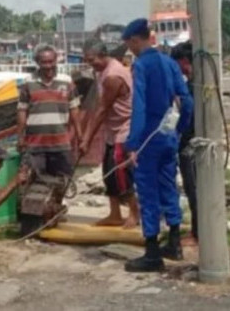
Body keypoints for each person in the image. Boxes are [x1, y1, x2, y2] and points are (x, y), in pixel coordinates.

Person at [122, 19, 194, 273]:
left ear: (134, 40)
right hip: (168, 137)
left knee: (148, 193)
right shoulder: (169, 62)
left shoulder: (141, 66)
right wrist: (180, 129)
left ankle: (152, 252)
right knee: (168, 187)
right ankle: (174, 242)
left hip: (148, 140)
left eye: (129, 44)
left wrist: (132, 143)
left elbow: (139, 107)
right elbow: (186, 100)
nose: (129, 49)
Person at [80, 40, 139, 229]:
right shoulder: (100, 72)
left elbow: (102, 109)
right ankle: (114, 213)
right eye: (88, 61)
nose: (91, 64)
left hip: (124, 128)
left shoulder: (113, 75)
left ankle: (135, 212)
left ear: (103, 55)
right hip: (111, 130)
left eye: (93, 60)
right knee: (108, 173)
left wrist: (87, 138)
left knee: (121, 174)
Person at [17, 45, 82, 180]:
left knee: (63, 182)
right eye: (44, 62)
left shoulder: (67, 81)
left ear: (56, 60)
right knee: (34, 183)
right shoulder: (27, 82)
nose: (48, 66)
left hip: (61, 143)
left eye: (51, 61)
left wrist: (80, 136)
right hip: (35, 144)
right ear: (37, 63)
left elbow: (74, 110)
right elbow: (22, 111)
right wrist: (20, 137)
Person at [171, 41, 198, 243]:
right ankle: (199, 229)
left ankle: (198, 232)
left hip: (190, 143)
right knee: (195, 189)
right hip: (195, 141)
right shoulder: (196, 83)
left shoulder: (190, 87)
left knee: (193, 188)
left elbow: (187, 111)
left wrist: (178, 132)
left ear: (184, 62)